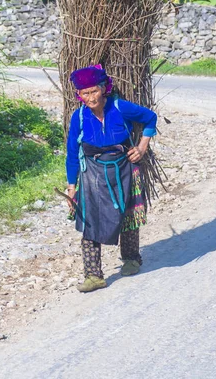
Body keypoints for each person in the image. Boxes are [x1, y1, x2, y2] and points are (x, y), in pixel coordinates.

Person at [66, 64, 157, 293]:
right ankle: (93, 275)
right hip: (92, 173)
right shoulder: (78, 117)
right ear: (80, 95)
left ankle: (131, 259)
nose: (90, 97)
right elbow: (71, 154)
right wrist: (71, 186)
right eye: (85, 93)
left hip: (123, 167)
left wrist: (142, 147)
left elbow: (150, 118)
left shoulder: (119, 107)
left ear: (103, 89)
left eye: (94, 91)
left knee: (127, 214)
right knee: (90, 221)